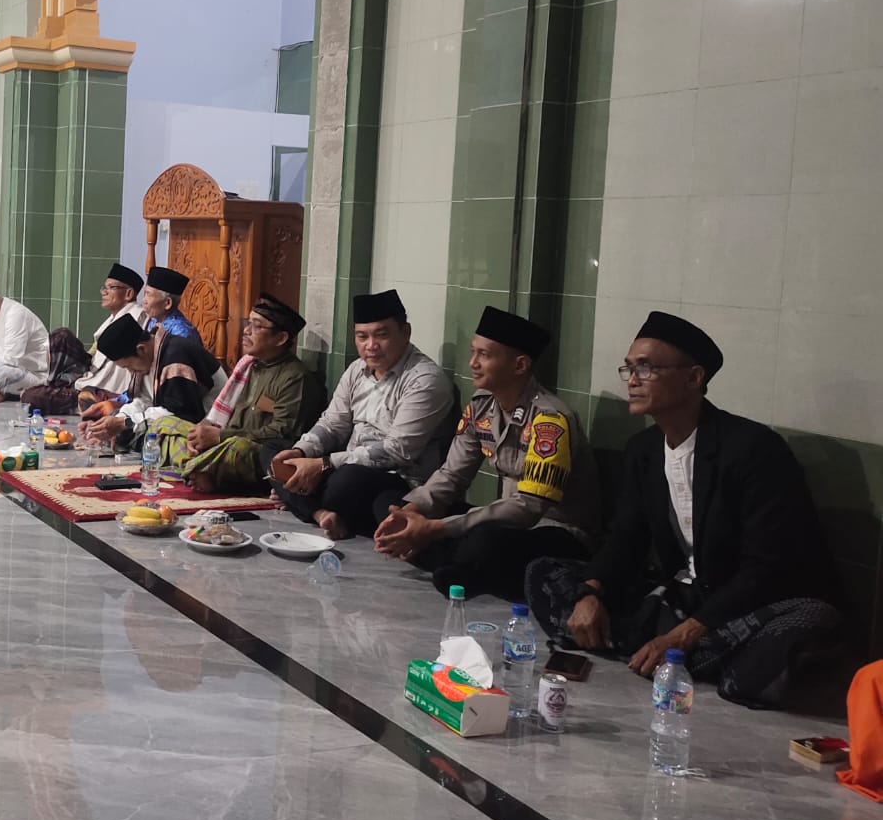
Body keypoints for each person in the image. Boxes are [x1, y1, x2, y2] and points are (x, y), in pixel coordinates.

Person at [525, 312, 842, 709]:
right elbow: (626, 538)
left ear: (693, 378)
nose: (633, 380)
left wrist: (685, 634)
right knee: (543, 572)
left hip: (748, 604)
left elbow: (766, 568)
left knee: (811, 618)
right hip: (682, 598)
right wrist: (590, 593)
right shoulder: (643, 451)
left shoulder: (753, 450)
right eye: (629, 368)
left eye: (646, 368)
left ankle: (673, 651)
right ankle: (691, 658)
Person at [373, 305, 599, 601]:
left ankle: (456, 564)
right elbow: (452, 475)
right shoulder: (481, 408)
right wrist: (412, 512)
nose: (473, 363)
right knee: (388, 502)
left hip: (554, 531)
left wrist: (436, 528)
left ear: (519, 365)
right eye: (473, 352)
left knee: (484, 541)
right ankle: (462, 568)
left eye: (484, 355)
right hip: (503, 521)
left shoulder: (549, 421)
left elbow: (528, 508)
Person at [269, 289, 453, 537]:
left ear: (406, 332)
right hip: (346, 465)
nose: (371, 346)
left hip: (396, 478)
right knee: (274, 452)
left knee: (347, 481)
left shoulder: (425, 380)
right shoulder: (357, 369)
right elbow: (333, 423)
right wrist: (302, 452)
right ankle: (320, 513)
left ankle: (300, 499)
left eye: (381, 335)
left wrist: (323, 464)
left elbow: (398, 450)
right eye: (362, 336)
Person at [157, 293, 326, 493]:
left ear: (281, 338)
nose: (246, 331)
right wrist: (202, 436)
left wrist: (220, 437)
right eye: (248, 323)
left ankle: (195, 469)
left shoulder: (294, 378)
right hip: (223, 442)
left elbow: (282, 434)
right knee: (164, 423)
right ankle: (200, 468)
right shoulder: (248, 366)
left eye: (257, 326)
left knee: (239, 448)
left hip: (254, 452)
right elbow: (219, 420)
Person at [21, 263, 148, 415]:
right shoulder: (114, 317)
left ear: (128, 294)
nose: (104, 292)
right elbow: (96, 354)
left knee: (31, 396)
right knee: (62, 337)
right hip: (91, 374)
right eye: (104, 287)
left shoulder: (134, 318)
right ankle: (64, 389)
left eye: (111, 287)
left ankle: (87, 403)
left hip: (103, 388)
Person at [82, 315, 219, 453]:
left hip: (208, 424)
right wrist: (111, 423)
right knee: (118, 419)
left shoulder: (175, 355)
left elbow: (180, 414)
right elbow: (143, 401)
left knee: (154, 439)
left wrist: (123, 424)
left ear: (141, 349)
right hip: (174, 417)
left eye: (128, 366)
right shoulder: (149, 357)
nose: (131, 371)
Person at [140, 266, 200, 342]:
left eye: (149, 295)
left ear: (167, 303)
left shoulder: (181, 332)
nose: (144, 301)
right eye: (145, 294)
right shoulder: (154, 320)